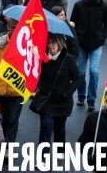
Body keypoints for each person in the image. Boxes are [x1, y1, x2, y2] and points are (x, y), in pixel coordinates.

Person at [30, 34, 81, 169]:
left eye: (53, 43)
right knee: (46, 128)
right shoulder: (43, 59)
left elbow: (77, 78)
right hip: (46, 100)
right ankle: (42, 159)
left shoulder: (68, 59)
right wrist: (34, 86)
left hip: (63, 102)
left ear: (59, 43)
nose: (51, 46)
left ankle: (60, 149)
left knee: (59, 128)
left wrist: (66, 92)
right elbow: (38, 76)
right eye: (48, 43)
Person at [70, 0, 107, 111]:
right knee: (81, 72)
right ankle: (81, 96)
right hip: (81, 44)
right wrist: (75, 38)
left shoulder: (104, 7)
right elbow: (72, 22)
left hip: (96, 45)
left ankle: (91, 99)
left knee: (94, 72)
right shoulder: (79, 5)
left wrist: (102, 37)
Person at [0, 18, 27, 145]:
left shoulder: (27, 46)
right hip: (1, 89)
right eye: (13, 27)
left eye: (18, 28)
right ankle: (3, 141)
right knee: (5, 119)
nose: (15, 30)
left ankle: (8, 146)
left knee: (13, 120)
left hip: (18, 90)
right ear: (8, 27)